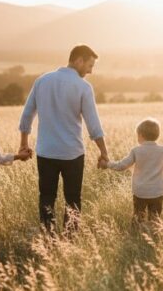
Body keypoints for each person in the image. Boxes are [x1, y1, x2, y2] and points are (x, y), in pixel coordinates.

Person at [19, 45, 108, 234]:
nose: (91, 70)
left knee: (46, 197)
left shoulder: (42, 81)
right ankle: (70, 239)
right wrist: (103, 152)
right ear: (78, 61)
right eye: (90, 65)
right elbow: (93, 124)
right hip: (72, 154)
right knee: (73, 199)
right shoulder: (83, 87)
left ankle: (48, 239)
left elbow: (27, 115)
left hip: (46, 152)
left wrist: (23, 144)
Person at [102, 118, 163, 222]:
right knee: (155, 221)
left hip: (140, 193)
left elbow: (121, 166)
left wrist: (107, 164)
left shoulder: (136, 151)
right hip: (157, 193)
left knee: (138, 219)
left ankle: (136, 235)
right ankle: (153, 235)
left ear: (140, 135)